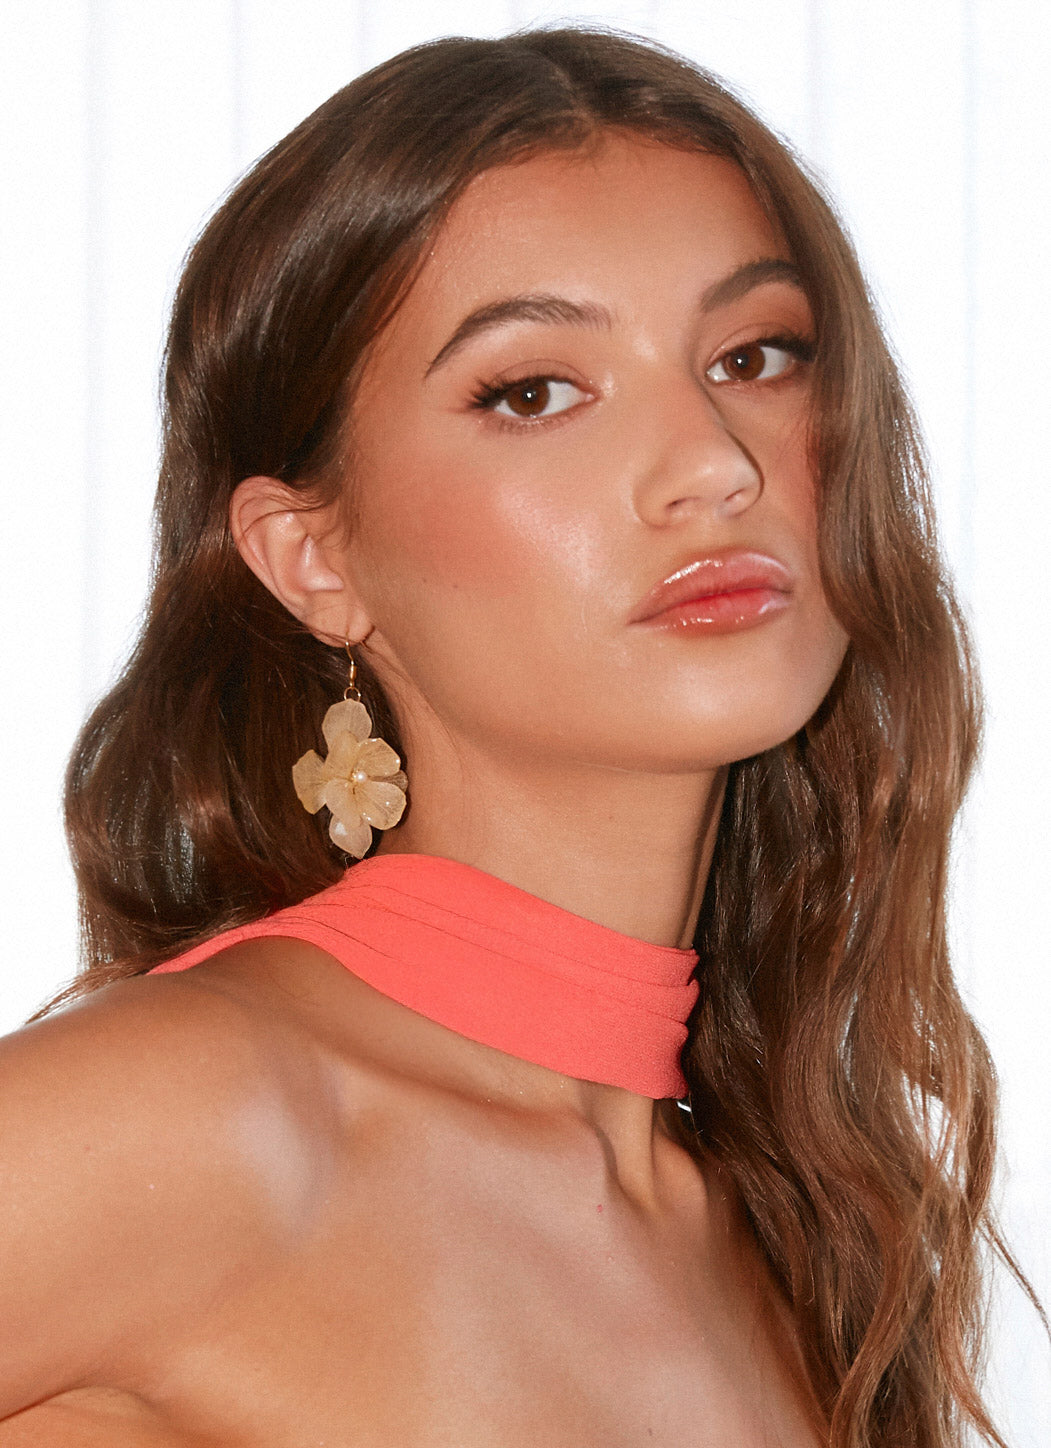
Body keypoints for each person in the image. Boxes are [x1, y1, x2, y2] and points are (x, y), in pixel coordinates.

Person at [0, 26, 1025, 1448]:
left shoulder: (787, 1239)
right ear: (312, 557)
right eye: (534, 392)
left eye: (754, 356)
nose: (714, 466)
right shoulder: (197, 1122)